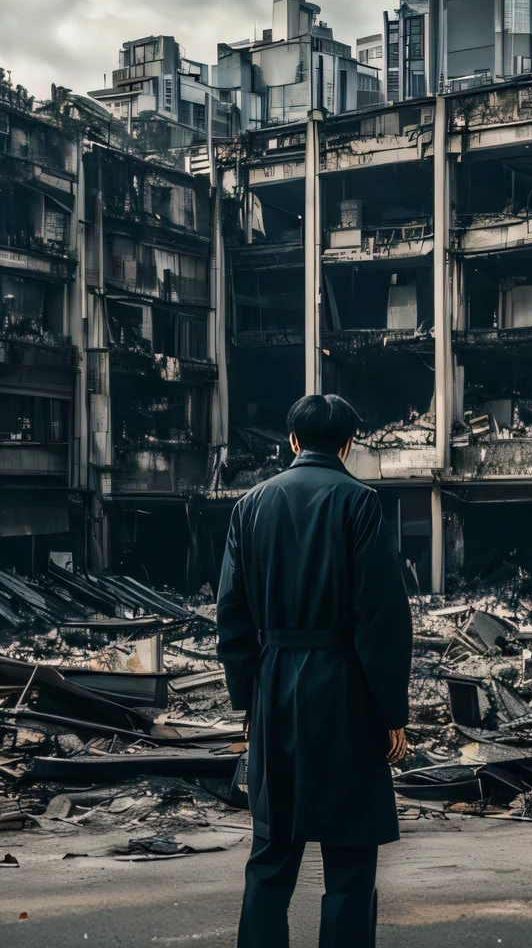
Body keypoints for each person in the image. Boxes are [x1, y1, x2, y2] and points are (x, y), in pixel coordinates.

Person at [217, 394, 411, 948]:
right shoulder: (361, 502)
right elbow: (381, 619)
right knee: (350, 858)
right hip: (344, 688)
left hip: (274, 684)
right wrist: (391, 713)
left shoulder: (249, 505)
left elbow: (230, 615)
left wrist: (247, 701)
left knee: (271, 853)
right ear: (349, 444)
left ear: (293, 441)